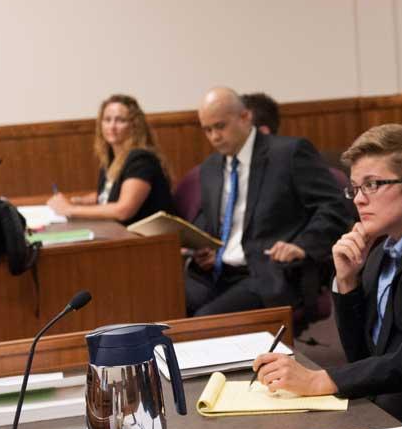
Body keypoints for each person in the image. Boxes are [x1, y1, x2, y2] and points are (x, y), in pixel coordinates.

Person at [252, 124, 402, 429]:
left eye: (372, 185)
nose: (358, 200)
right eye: (354, 188)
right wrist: (347, 282)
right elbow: (362, 356)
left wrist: (319, 379)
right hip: (389, 400)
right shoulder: (379, 251)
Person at [185, 87, 353, 316]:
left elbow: (335, 207)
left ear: (245, 117)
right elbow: (213, 222)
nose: (214, 136)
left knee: (204, 321)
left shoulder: (289, 153)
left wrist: (302, 246)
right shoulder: (211, 168)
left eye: (220, 126)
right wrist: (203, 248)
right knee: (166, 302)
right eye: (207, 129)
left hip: (269, 273)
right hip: (218, 271)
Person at [47, 94, 175, 226]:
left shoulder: (141, 160)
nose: (112, 127)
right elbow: (108, 194)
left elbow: (124, 210)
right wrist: (79, 201)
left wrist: (70, 209)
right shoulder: (112, 158)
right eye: (107, 120)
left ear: (135, 125)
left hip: (151, 240)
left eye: (120, 120)